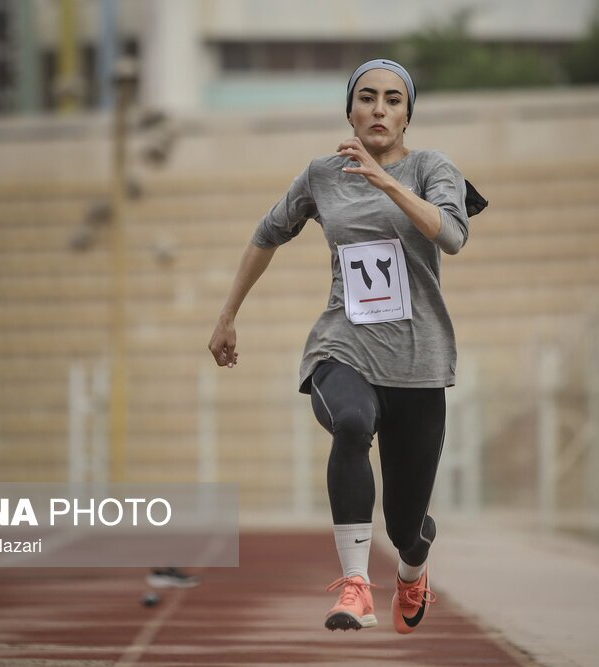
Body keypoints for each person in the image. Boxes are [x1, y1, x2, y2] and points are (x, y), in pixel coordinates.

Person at [208, 58, 479, 633]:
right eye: (366, 98)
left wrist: (385, 182)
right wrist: (228, 314)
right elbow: (266, 234)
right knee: (351, 423)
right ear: (349, 110)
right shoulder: (322, 174)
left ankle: (412, 566)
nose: (378, 109)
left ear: (408, 114)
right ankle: (356, 584)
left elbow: (452, 235)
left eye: (392, 100)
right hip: (344, 344)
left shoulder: (434, 168)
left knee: (406, 525)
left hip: (419, 363)